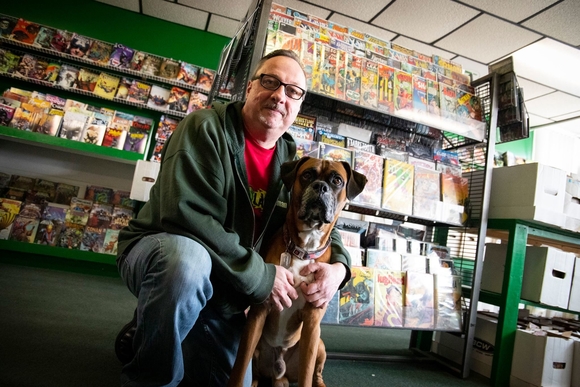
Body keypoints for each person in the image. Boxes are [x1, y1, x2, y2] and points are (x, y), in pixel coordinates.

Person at [115, 49, 353, 387]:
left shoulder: (289, 163)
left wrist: (338, 268)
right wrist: (260, 277)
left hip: (228, 287)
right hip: (163, 256)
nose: (279, 95)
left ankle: (163, 325)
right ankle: (150, 372)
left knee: (228, 379)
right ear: (250, 87)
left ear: (299, 106)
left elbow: (317, 217)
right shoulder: (204, 128)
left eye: (292, 91)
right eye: (270, 82)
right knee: (186, 263)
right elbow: (184, 215)